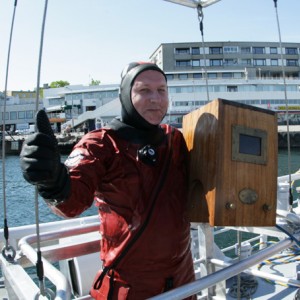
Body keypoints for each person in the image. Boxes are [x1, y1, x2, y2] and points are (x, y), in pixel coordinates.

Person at [20, 62, 196, 299]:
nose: (156, 98)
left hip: (184, 282)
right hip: (130, 288)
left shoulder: (174, 138)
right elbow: (72, 202)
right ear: (125, 95)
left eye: (162, 90)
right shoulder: (101, 143)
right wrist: (51, 180)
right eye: (144, 90)